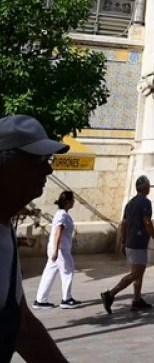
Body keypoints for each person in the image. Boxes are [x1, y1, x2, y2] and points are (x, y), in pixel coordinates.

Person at [0, 114, 71, 362]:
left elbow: (22, 324)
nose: (48, 169)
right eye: (36, 160)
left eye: (47, 159)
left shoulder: (5, 229)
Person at [101, 175, 154, 314]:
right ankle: (110, 294)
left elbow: (124, 224)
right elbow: (147, 222)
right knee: (136, 273)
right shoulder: (145, 203)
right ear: (146, 188)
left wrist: (123, 241)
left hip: (130, 242)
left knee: (139, 272)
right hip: (139, 242)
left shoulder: (130, 203)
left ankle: (137, 300)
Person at [34, 191, 80, 310]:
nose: (74, 202)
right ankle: (66, 299)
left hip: (57, 248)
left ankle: (40, 300)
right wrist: (56, 250)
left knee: (48, 274)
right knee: (68, 272)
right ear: (67, 202)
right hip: (60, 249)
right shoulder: (62, 215)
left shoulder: (60, 213)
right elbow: (57, 232)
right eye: (72, 200)